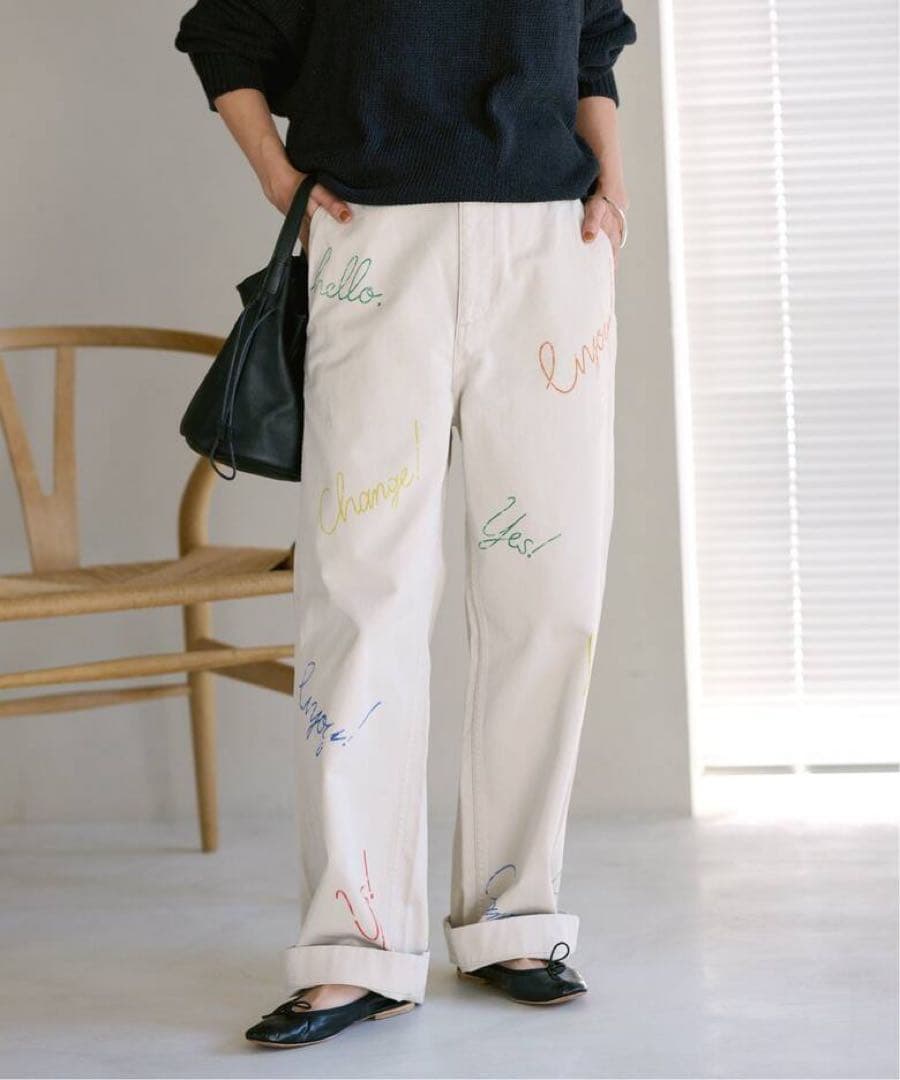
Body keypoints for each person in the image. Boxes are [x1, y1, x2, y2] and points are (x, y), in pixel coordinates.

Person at [175, 0, 637, 1049]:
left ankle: (515, 919)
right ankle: (355, 947)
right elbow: (224, 33)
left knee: (551, 597)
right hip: (377, 241)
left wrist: (612, 185)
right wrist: (279, 180)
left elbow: (593, 43)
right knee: (360, 594)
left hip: (551, 247)